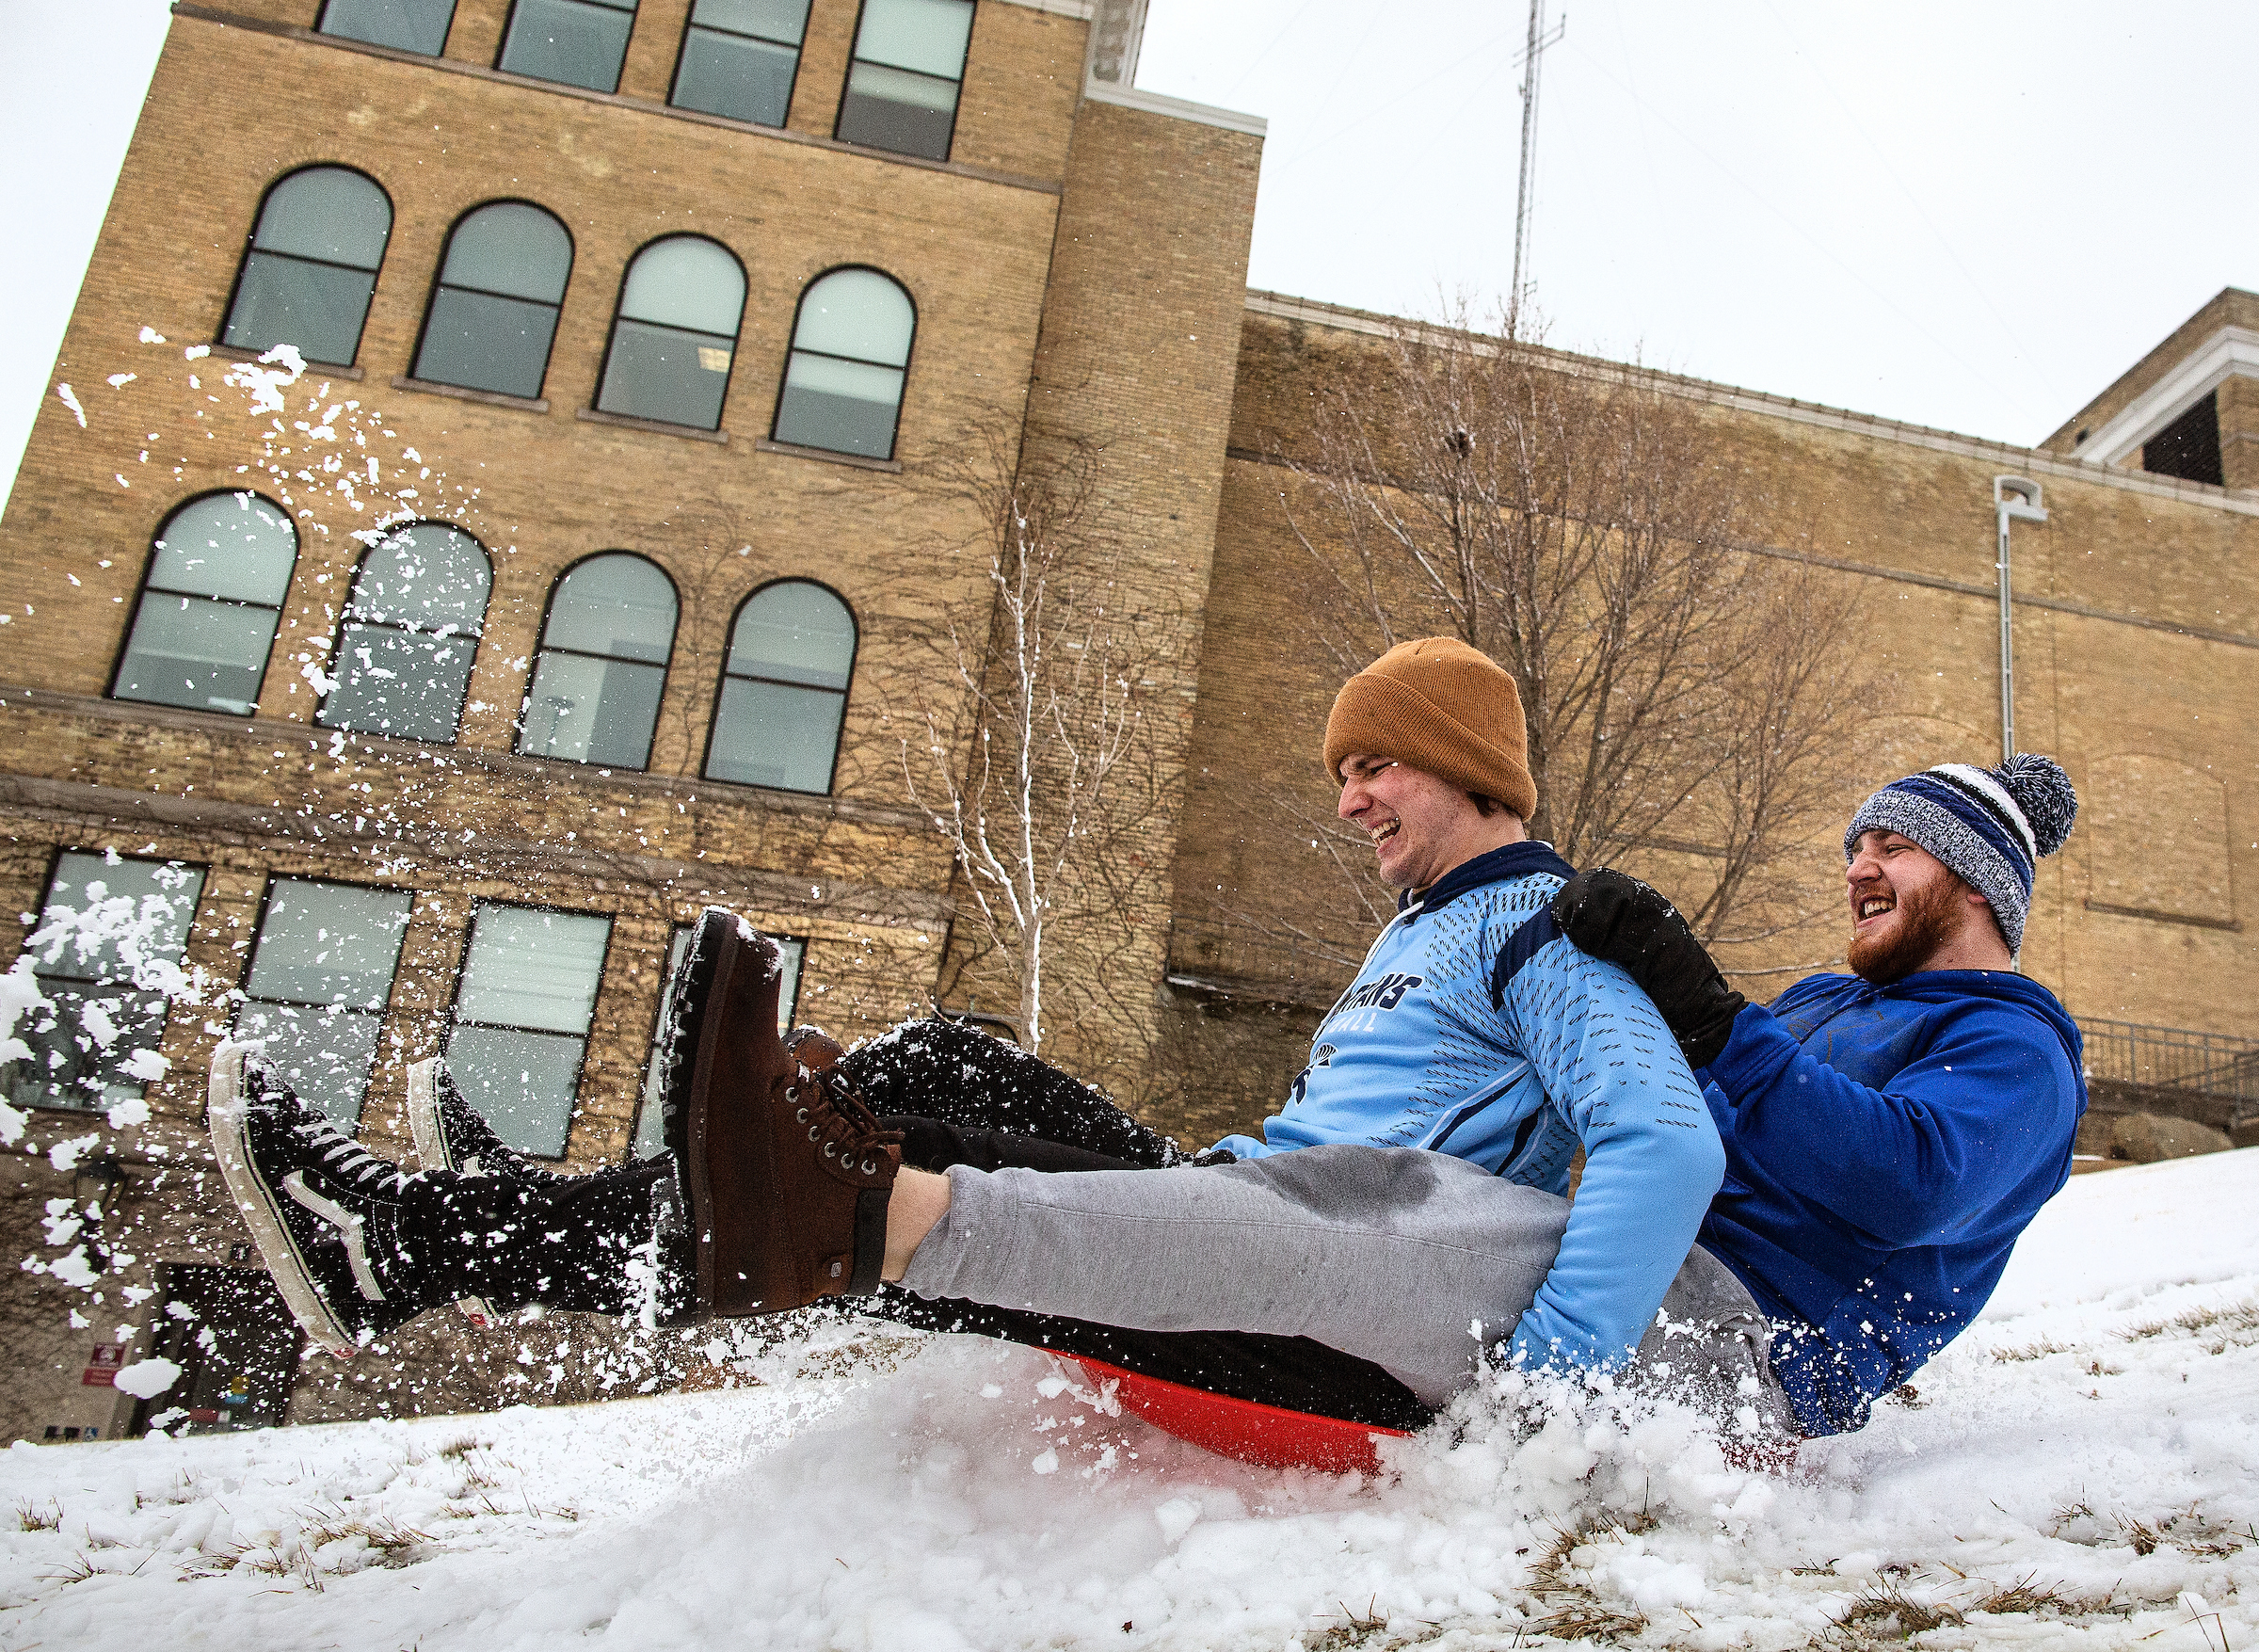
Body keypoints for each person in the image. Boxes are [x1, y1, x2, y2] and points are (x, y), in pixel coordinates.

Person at [208, 643, 2088, 1442]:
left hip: (1600, 1311)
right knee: (931, 1074)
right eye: (1856, 835)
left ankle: (451, 1244)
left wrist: (1567, 1371)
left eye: (1897, 840)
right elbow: (1703, 1095)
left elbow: (1781, 1150)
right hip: (1378, 1220)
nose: (1348, 795)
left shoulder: (2007, 1046)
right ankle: (489, 1223)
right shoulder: (1796, 996)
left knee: (908, 1171)